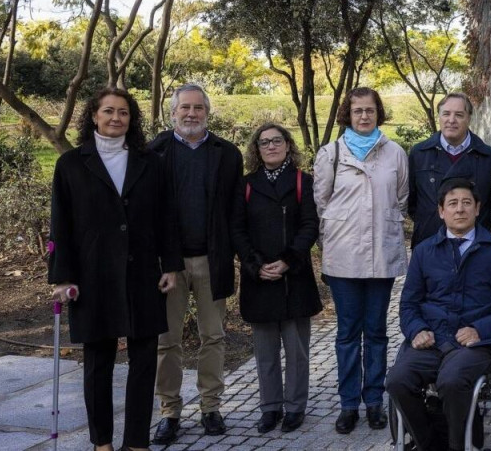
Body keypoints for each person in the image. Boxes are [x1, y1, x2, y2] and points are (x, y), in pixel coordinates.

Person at [48, 88, 181, 451]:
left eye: (123, 112)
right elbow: (60, 225)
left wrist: (171, 265)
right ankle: (102, 443)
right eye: (108, 111)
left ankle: (136, 443)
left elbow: (167, 217)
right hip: (93, 276)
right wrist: (62, 277)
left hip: (143, 273)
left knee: (144, 361)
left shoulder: (150, 162)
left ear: (131, 119)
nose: (116, 118)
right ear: (94, 115)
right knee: (97, 363)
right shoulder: (71, 164)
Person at [387, 178, 491, 451]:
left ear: (477, 208)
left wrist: (480, 330)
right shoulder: (424, 251)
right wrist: (416, 330)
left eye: (466, 203)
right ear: (441, 211)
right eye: (452, 204)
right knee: (397, 381)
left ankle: (457, 445)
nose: (459, 209)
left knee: (451, 381)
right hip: (432, 339)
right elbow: (409, 304)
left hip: (476, 343)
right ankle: (430, 443)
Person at [149, 84, 243, 444]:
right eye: (185, 107)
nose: (191, 114)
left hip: (211, 259)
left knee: (213, 336)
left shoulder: (227, 154)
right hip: (168, 265)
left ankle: (210, 407)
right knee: (166, 340)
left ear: (207, 112)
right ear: (172, 112)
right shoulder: (154, 151)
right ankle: (169, 411)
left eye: (198, 108)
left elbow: (235, 210)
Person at [313, 87, 409, 434]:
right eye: (358, 111)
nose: (364, 116)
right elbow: (322, 203)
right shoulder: (331, 154)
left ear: (378, 113)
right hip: (344, 259)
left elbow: (401, 198)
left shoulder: (395, 153)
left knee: (378, 332)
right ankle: (349, 404)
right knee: (348, 333)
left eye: (370, 110)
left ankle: (374, 402)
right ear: (348, 115)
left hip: (381, 256)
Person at [230, 124, 321, 434]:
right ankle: (270, 407)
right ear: (256, 149)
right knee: (265, 352)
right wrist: (255, 264)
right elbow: (237, 229)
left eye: (276, 141)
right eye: (264, 142)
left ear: (287, 145)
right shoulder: (246, 185)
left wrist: (287, 260)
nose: (271, 146)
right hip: (259, 279)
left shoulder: (303, 182)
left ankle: (295, 407)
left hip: (294, 278)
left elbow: (310, 225)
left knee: (297, 352)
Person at [408, 93, 491, 247]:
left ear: (469, 118)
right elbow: (411, 203)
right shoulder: (419, 154)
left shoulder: (490, 158)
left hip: (477, 247)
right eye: (446, 114)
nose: (451, 120)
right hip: (429, 244)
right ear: (439, 117)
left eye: (459, 115)